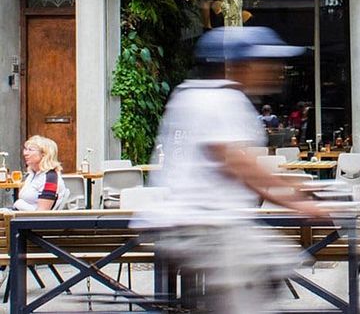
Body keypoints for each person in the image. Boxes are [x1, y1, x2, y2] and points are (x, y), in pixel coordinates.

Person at [134, 26, 325, 313]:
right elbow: (236, 164)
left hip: (193, 222)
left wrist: (293, 187)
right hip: (206, 225)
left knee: (272, 260)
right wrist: (298, 201)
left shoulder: (193, 93)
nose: (277, 70)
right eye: (268, 63)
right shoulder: (222, 99)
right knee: (262, 276)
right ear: (240, 66)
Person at [14, 135, 67, 211]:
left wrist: (18, 204)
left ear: (44, 154)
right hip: (21, 216)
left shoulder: (50, 178)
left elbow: (41, 213)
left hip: (30, 221)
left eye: (30, 150)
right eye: (25, 149)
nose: (25, 153)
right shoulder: (32, 174)